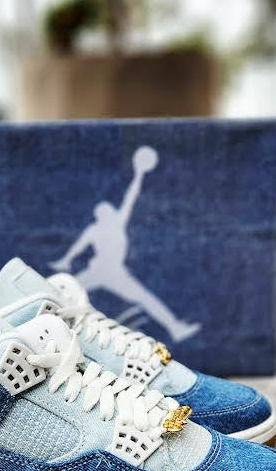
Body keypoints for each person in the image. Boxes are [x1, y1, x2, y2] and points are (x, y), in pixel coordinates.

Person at [50, 146, 200, 342]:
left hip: (115, 273)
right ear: (100, 215)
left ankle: (175, 328)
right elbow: (78, 246)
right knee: (60, 293)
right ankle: (36, 323)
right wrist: (66, 260)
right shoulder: (96, 229)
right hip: (98, 270)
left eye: (110, 210)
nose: (109, 212)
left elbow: (131, 196)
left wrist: (139, 174)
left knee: (144, 298)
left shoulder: (117, 223)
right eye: (105, 211)